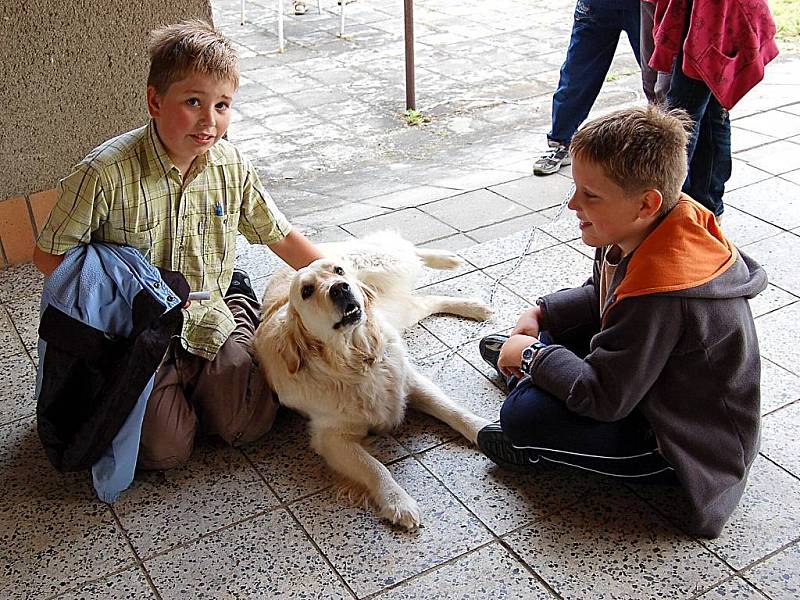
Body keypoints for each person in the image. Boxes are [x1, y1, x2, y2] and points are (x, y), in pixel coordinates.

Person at [33, 20, 324, 471]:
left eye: (222, 105)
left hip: (208, 310)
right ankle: (178, 389)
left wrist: (344, 278)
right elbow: (49, 255)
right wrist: (119, 297)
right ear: (155, 100)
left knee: (247, 425)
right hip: (138, 332)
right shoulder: (104, 174)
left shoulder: (230, 164)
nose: (210, 121)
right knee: (164, 451)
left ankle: (234, 319)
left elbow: (280, 235)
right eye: (193, 102)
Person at [477, 106, 767, 538]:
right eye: (575, 189)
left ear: (646, 202)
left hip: (679, 440)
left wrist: (535, 356)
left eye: (590, 195)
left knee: (523, 416)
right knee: (556, 335)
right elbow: (604, 293)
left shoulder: (660, 295)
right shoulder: (646, 221)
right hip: (643, 377)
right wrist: (543, 314)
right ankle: (524, 369)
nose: (574, 204)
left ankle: (532, 435)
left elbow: (605, 397)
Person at [650, 0, 778, 217]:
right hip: (710, 15)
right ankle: (706, 210)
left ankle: (668, 213)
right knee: (709, 114)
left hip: (713, 17)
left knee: (680, 118)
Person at [533, 0, 641, 176]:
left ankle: (670, 148)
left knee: (660, 78)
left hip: (644, 6)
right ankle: (561, 142)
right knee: (576, 75)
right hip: (596, 7)